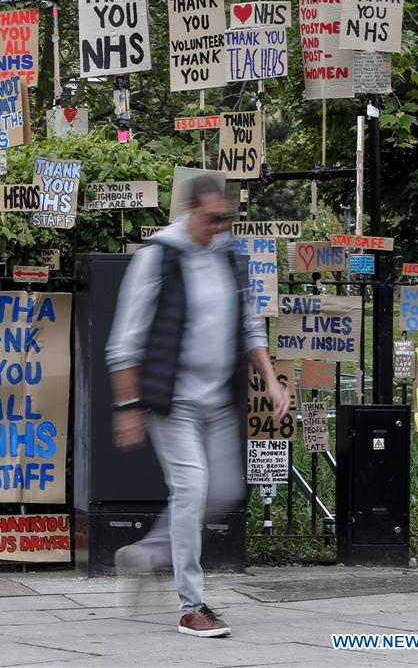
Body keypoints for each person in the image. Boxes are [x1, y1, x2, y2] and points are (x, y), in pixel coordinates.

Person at [106, 174, 290, 638]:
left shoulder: (228, 255)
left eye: (226, 217)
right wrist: (128, 406)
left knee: (224, 491)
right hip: (174, 401)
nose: (219, 226)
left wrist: (271, 381)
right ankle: (192, 605)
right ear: (190, 211)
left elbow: (249, 326)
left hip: (219, 401)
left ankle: (147, 554)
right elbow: (124, 341)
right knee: (191, 490)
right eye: (212, 218)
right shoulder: (158, 257)